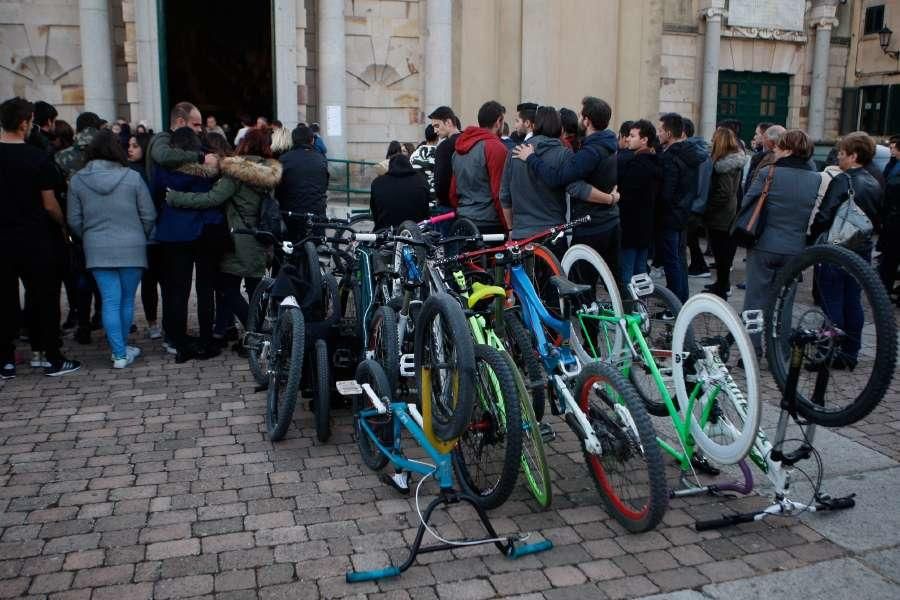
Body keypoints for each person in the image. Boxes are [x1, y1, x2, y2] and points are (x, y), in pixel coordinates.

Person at [166, 129, 282, 340]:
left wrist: (176, 198)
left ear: (245, 144)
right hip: (261, 237)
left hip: (238, 238)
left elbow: (212, 198)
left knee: (226, 288)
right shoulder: (269, 173)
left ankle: (256, 333)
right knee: (255, 291)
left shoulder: (236, 171)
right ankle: (248, 333)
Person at [0, 97, 81, 378]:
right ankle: (51, 356)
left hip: (3, 239)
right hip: (35, 238)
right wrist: (64, 224)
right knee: (43, 298)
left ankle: (6, 361)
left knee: (4, 299)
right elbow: (49, 203)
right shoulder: (37, 158)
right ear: (24, 123)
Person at [67, 130, 156, 368]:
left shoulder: (78, 180)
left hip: (97, 247)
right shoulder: (132, 177)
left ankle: (119, 353)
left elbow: (74, 219)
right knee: (126, 301)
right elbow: (148, 215)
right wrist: (141, 235)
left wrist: (88, 236)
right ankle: (121, 349)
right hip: (132, 245)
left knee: (110, 301)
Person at [514, 97, 622, 283]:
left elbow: (558, 179)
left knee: (582, 284)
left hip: (592, 225)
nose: (578, 119)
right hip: (609, 221)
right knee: (616, 280)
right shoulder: (607, 142)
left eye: (581, 115)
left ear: (587, 121)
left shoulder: (590, 152)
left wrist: (531, 158)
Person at [741, 129, 820, 355]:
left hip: (764, 243)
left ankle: (752, 347)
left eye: (778, 146)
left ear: (787, 149)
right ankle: (781, 350)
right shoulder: (816, 177)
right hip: (795, 247)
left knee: (754, 298)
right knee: (785, 302)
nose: (774, 150)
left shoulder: (769, 172)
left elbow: (748, 202)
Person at [810, 132, 883, 368]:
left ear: (853, 156)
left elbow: (824, 215)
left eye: (841, 154)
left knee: (831, 301)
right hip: (861, 249)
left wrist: (812, 238)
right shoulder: (874, 181)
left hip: (837, 247)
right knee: (852, 301)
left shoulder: (844, 180)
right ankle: (851, 351)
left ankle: (827, 352)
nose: (838, 158)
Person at [152, 127, 225, 363]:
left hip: (174, 232)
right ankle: (206, 338)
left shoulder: (164, 169)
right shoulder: (209, 166)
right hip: (204, 229)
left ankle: (179, 341)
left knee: (177, 291)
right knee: (205, 289)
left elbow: (156, 195)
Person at [500, 106, 594, 256]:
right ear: (559, 128)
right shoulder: (564, 154)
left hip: (522, 234)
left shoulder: (515, 153)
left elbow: (504, 197)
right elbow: (576, 189)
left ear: (535, 125)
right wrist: (609, 198)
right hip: (553, 234)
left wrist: (511, 229)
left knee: (523, 278)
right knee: (554, 278)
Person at [655, 112, 708, 303]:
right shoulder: (689, 153)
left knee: (672, 261)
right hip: (683, 212)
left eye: (660, 130)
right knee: (679, 259)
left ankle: (674, 304)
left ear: (669, 133)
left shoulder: (671, 157)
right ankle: (681, 299)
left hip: (671, 215)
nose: (658, 134)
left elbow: (667, 192)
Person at [451, 101, 510, 235]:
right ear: (498, 121)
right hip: (489, 223)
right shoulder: (495, 148)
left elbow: (453, 192)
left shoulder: (458, 151)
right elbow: (499, 193)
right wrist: (508, 226)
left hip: (464, 219)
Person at [702, 127, 745, 299]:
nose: (711, 142)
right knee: (722, 253)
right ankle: (721, 283)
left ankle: (723, 286)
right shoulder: (732, 162)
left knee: (722, 253)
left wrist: (709, 207)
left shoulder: (725, 166)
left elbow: (724, 193)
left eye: (714, 139)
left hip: (722, 215)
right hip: (727, 212)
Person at [618, 119, 662, 285]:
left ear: (644, 140)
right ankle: (641, 305)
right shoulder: (653, 161)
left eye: (632, 135)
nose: (628, 139)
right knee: (640, 271)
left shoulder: (636, 164)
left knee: (628, 274)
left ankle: (630, 308)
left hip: (631, 226)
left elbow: (627, 197)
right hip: (645, 226)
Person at [276, 123, 329, 238]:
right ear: (312, 141)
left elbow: (278, 189)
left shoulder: (284, 159)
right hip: (317, 212)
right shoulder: (321, 159)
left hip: (291, 213)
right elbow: (324, 185)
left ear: (293, 141)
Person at [145, 101, 206, 183]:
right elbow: (163, 155)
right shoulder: (163, 138)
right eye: (195, 124)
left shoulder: (191, 140)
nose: (200, 129)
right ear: (180, 122)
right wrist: (199, 157)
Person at [683, 117, 714, 278]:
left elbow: (701, 184)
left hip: (695, 206)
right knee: (691, 240)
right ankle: (698, 265)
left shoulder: (699, 155)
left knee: (690, 239)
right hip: (693, 204)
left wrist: (695, 205)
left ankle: (700, 266)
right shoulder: (696, 152)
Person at [370, 154, 430, 230]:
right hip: (416, 232)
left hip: (386, 232)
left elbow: (375, 211)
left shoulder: (378, 182)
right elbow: (426, 207)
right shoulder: (421, 180)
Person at [879, 135, 900, 303]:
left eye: (893, 148)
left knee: (890, 259)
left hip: (895, 220)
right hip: (892, 219)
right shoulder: (893, 164)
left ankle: (884, 290)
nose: (890, 150)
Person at [428, 106, 462, 208]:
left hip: (449, 206)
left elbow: (440, 185)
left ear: (448, 122)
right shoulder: (469, 141)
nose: (435, 131)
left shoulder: (444, 147)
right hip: (470, 204)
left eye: (437, 126)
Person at [409, 124, 439, 197]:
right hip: (434, 197)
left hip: (417, 195)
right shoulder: (439, 154)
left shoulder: (414, 154)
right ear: (437, 136)